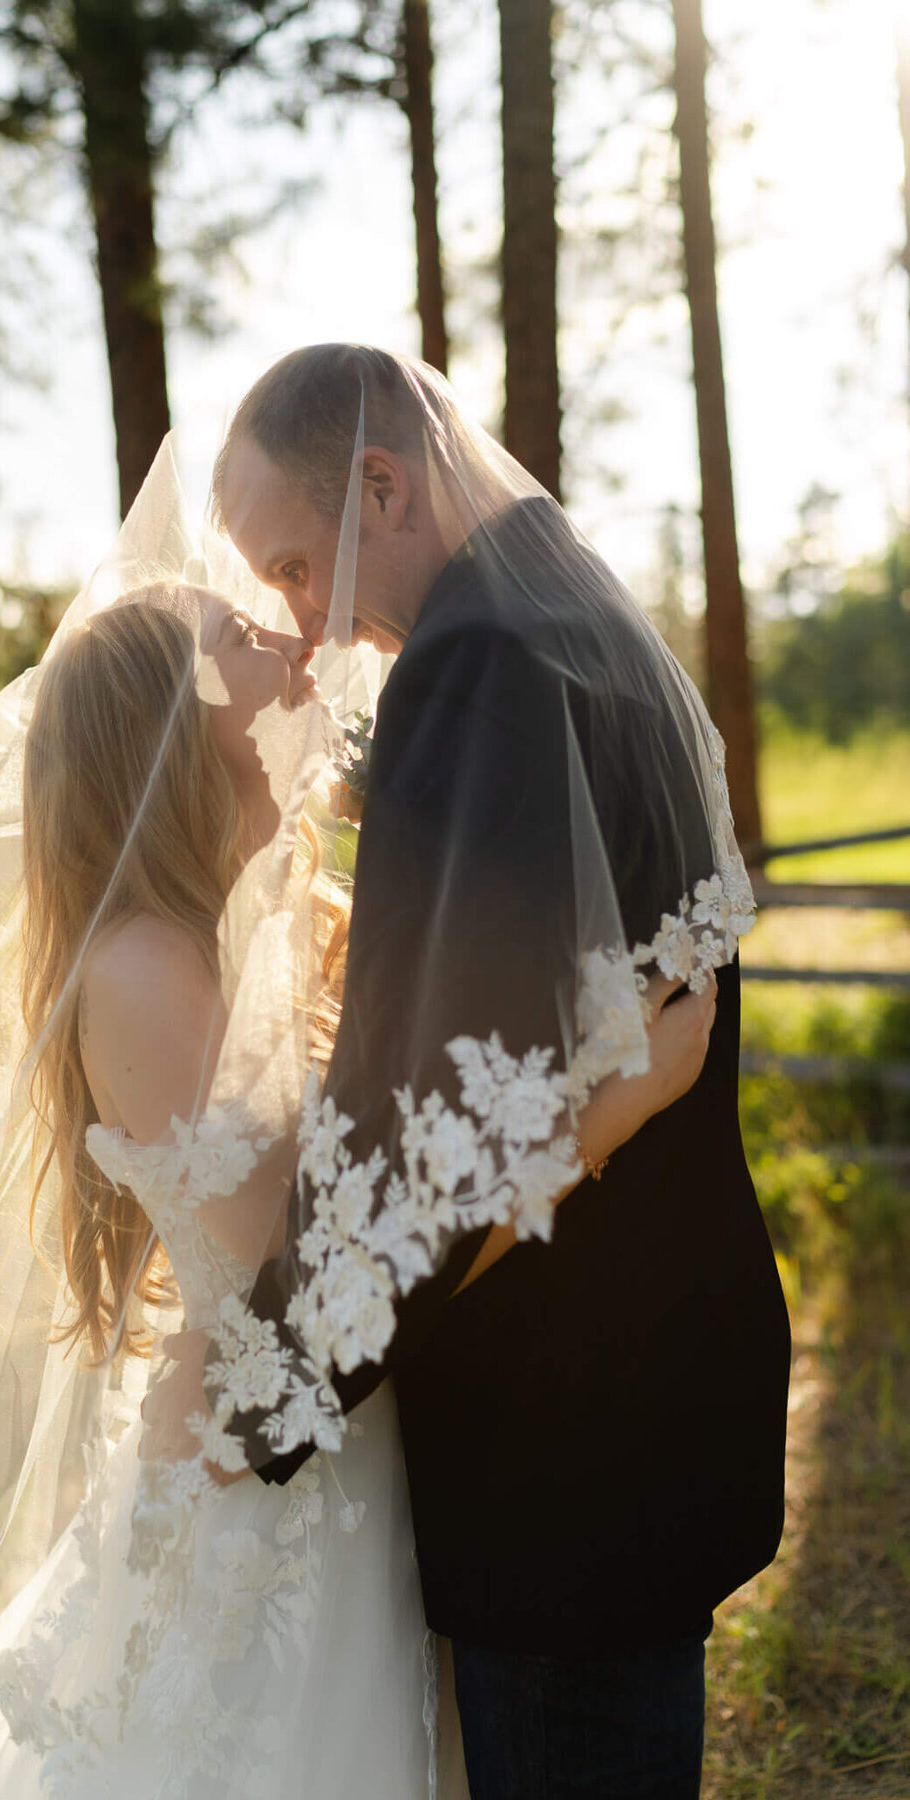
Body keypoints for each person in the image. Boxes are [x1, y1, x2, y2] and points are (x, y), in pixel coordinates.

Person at [0, 485, 716, 1796]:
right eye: (241, 636)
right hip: (263, 1492)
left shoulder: (257, 914)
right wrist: (606, 1113)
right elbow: (322, 1272)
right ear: (174, 722)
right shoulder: (141, 968)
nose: (290, 638)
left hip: (356, 1457)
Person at [142, 344, 792, 1800]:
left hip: (562, 1436)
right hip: (659, 1369)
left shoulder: (475, 662)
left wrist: (269, 1386)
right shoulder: (577, 609)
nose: (302, 623)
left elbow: (433, 1111)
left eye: (296, 567)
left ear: (383, 485)